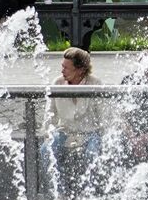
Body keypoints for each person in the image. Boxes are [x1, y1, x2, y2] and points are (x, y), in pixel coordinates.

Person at [44, 47, 104, 189]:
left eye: (66, 68)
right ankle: (57, 192)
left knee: (92, 153)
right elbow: (49, 115)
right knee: (46, 150)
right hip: (64, 131)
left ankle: (90, 192)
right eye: (62, 66)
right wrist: (48, 134)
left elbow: (104, 116)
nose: (62, 71)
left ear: (80, 70)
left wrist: (102, 136)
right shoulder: (57, 83)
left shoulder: (95, 84)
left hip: (90, 132)